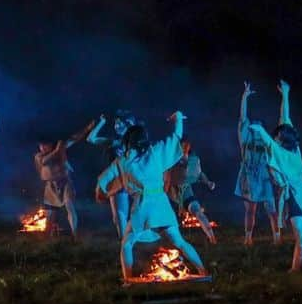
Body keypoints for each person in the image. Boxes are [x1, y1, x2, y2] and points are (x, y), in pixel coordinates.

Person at [249, 79, 302, 271]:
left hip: (294, 196)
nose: (275, 136)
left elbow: (269, 144)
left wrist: (259, 130)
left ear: (281, 141)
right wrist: (285, 94)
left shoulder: (281, 152)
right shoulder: (294, 148)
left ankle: (295, 271)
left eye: (277, 136)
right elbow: (284, 117)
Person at [118, 112, 208, 281]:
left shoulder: (126, 161)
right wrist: (179, 119)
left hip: (143, 205)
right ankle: (203, 271)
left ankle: (128, 279)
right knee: (179, 241)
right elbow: (176, 139)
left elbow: (126, 184)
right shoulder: (154, 152)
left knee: (127, 244)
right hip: (160, 203)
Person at [32, 119, 95, 241]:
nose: (43, 147)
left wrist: (88, 128)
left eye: (46, 145)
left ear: (51, 144)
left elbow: (74, 138)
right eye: (41, 145)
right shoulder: (39, 156)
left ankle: (75, 234)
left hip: (65, 182)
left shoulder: (59, 149)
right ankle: (48, 238)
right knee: (50, 214)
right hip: (50, 186)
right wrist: (57, 150)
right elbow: (45, 161)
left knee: (70, 207)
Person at [236, 82, 283, 245]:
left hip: (264, 176)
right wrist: (244, 97)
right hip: (249, 176)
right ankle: (248, 238)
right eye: (254, 125)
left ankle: (277, 238)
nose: (256, 127)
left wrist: (275, 178)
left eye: (259, 125)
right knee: (250, 210)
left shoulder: (266, 141)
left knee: (272, 209)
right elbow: (242, 117)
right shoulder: (245, 137)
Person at [90, 112, 137, 239]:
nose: (116, 125)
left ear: (128, 124)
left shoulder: (135, 142)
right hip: (119, 180)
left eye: (119, 122)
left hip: (126, 180)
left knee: (121, 214)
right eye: (116, 123)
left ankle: (125, 241)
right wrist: (101, 122)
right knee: (120, 215)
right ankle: (127, 240)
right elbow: (91, 139)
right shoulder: (113, 142)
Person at [165, 139, 217, 244]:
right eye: (183, 146)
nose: (185, 148)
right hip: (169, 193)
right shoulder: (171, 160)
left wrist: (208, 182)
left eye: (187, 146)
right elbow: (170, 180)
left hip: (185, 191)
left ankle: (212, 237)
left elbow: (199, 173)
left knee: (197, 211)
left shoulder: (193, 159)